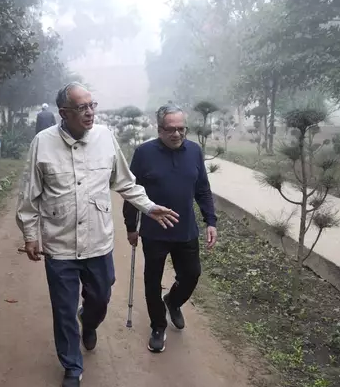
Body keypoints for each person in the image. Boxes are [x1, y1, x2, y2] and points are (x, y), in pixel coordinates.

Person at [15, 82, 180, 387]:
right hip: (60, 244)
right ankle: (72, 368)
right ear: (64, 113)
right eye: (82, 107)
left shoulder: (105, 138)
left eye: (92, 105)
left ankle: (88, 322)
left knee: (101, 297)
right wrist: (29, 235)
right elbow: (29, 196)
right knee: (63, 310)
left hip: (98, 241)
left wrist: (149, 207)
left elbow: (125, 182)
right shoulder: (43, 143)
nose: (90, 112)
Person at [122, 103, 218, 353]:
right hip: (155, 231)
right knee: (152, 280)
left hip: (185, 229)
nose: (176, 134)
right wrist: (131, 226)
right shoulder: (144, 153)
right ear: (159, 129)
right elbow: (132, 193)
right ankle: (158, 326)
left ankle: (173, 301)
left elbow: (203, 189)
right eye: (170, 129)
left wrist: (211, 221)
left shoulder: (194, 151)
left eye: (181, 129)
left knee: (192, 274)